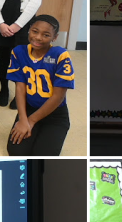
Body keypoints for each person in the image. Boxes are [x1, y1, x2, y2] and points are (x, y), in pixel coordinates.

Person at [5, 15, 74, 155]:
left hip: (55, 114)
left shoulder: (61, 55)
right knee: (16, 152)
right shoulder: (18, 52)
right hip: (29, 108)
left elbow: (58, 96)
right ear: (29, 30)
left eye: (46, 34)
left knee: (42, 155)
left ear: (54, 37)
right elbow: (20, 88)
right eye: (35, 31)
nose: (38, 37)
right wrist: (23, 119)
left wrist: (31, 121)